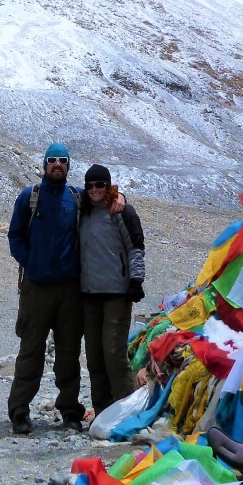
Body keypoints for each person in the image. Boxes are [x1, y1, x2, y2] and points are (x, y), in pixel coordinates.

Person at [6, 143, 124, 434]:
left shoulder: (77, 197)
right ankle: (19, 411)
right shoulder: (29, 197)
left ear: (68, 166)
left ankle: (70, 410)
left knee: (69, 353)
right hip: (36, 289)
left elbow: (104, 198)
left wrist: (121, 194)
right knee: (30, 351)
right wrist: (31, 263)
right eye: (52, 160)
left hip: (70, 290)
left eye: (62, 160)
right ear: (45, 165)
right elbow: (15, 236)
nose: (57, 164)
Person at [79, 164, 146, 420]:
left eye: (100, 184)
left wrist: (136, 280)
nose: (95, 189)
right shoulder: (82, 210)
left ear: (108, 186)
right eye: (90, 185)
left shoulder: (122, 211)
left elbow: (136, 247)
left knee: (114, 353)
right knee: (94, 356)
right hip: (89, 293)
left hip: (117, 293)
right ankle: (103, 411)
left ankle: (128, 413)